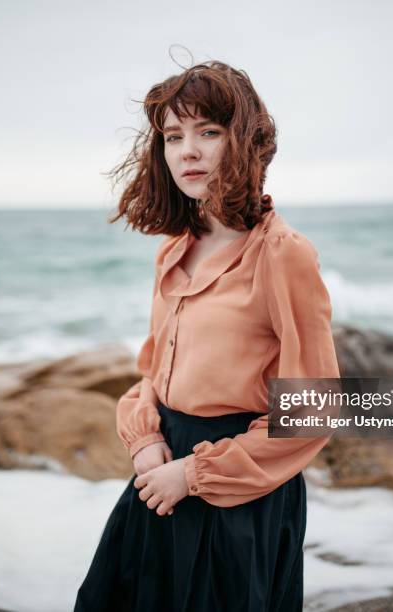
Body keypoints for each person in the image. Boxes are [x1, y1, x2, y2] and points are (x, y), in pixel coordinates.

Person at [73, 60, 340, 612]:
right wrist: (145, 440)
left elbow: (314, 410)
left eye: (208, 132)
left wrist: (194, 474)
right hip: (159, 475)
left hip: (236, 493)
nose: (187, 151)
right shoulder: (173, 249)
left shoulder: (283, 253)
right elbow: (154, 372)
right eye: (173, 136)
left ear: (245, 140)